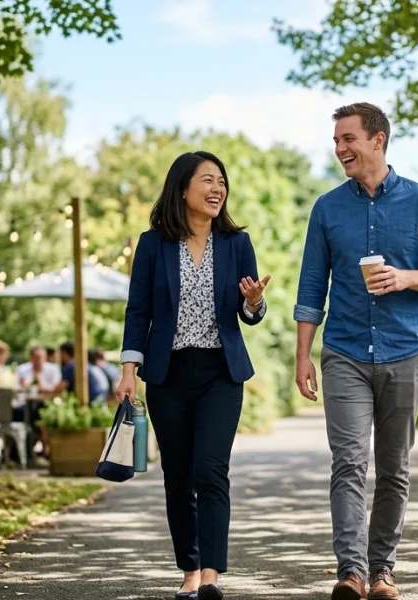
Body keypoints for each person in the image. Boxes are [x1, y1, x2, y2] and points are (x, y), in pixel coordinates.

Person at [293, 103, 418, 600]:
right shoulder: (326, 208)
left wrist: (408, 277)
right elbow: (310, 289)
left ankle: (382, 569)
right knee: (348, 462)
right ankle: (350, 573)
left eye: (349, 139)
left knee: (394, 468)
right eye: (337, 142)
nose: (341, 149)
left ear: (378, 140)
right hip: (344, 351)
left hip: (404, 351)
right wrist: (303, 356)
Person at [115, 151, 270, 600]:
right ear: (183, 188)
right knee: (178, 474)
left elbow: (249, 314)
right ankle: (188, 569)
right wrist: (129, 372)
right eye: (207, 179)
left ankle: (211, 575)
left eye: (221, 180)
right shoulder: (153, 244)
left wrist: (255, 302)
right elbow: (137, 311)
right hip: (167, 374)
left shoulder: (237, 243)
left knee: (210, 468)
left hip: (221, 371)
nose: (217, 188)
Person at [50, 342, 108, 406]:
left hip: (92, 399)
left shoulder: (71, 366)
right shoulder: (80, 363)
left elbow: (59, 388)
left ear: (64, 353)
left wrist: (44, 391)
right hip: (101, 396)